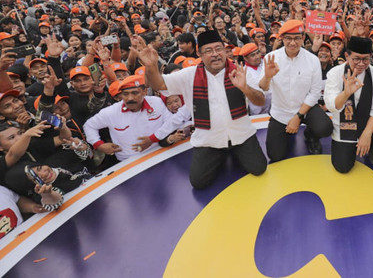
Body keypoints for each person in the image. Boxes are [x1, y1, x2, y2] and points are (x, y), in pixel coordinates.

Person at [138, 30, 267, 189]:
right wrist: (151, 67)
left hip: (241, 135)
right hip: (209, 140)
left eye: (219, 49)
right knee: (198, 182)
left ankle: (235, 152)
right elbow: (159, 85)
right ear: (199, 53)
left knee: (259, 169)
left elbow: (260, 101)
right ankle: (220, 155)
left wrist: (245, 88)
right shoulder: (189, 75)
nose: (215, 54)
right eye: (208, 51)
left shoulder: (239, 70)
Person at [259, 20, 333, 160]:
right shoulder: (271, 58)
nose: (293, 43)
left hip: (306, 108)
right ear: (282, 38)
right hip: (281, 111)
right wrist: (267, 77)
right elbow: (264, 88)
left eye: (297, 38)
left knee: (324, 128)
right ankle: (286, 134)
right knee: (275, 155)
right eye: (288, 38)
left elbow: (315, 93)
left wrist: (298, 117)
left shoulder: (312, 60)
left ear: (303, 38)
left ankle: (311, 136)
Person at [324, 37, 373, 172]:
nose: (361, 63)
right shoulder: (335, 73)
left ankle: (372, 145)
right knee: (342, 167)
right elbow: (331, 106)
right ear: (347, 56)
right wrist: (345, 94)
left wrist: (367, 134)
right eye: (356, 59)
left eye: (365, 59)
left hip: (367, 123)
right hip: (344, 126)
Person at [83, 75, 171, 162]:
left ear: (145, 91)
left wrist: (153, 139)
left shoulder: (156, 102)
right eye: (125, 94)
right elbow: (89, 126)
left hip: (160, 153)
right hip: (128, 161)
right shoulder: (111, 112)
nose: (130, 98)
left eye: (135, 93)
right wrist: (99, 145)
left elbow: (170, 123)